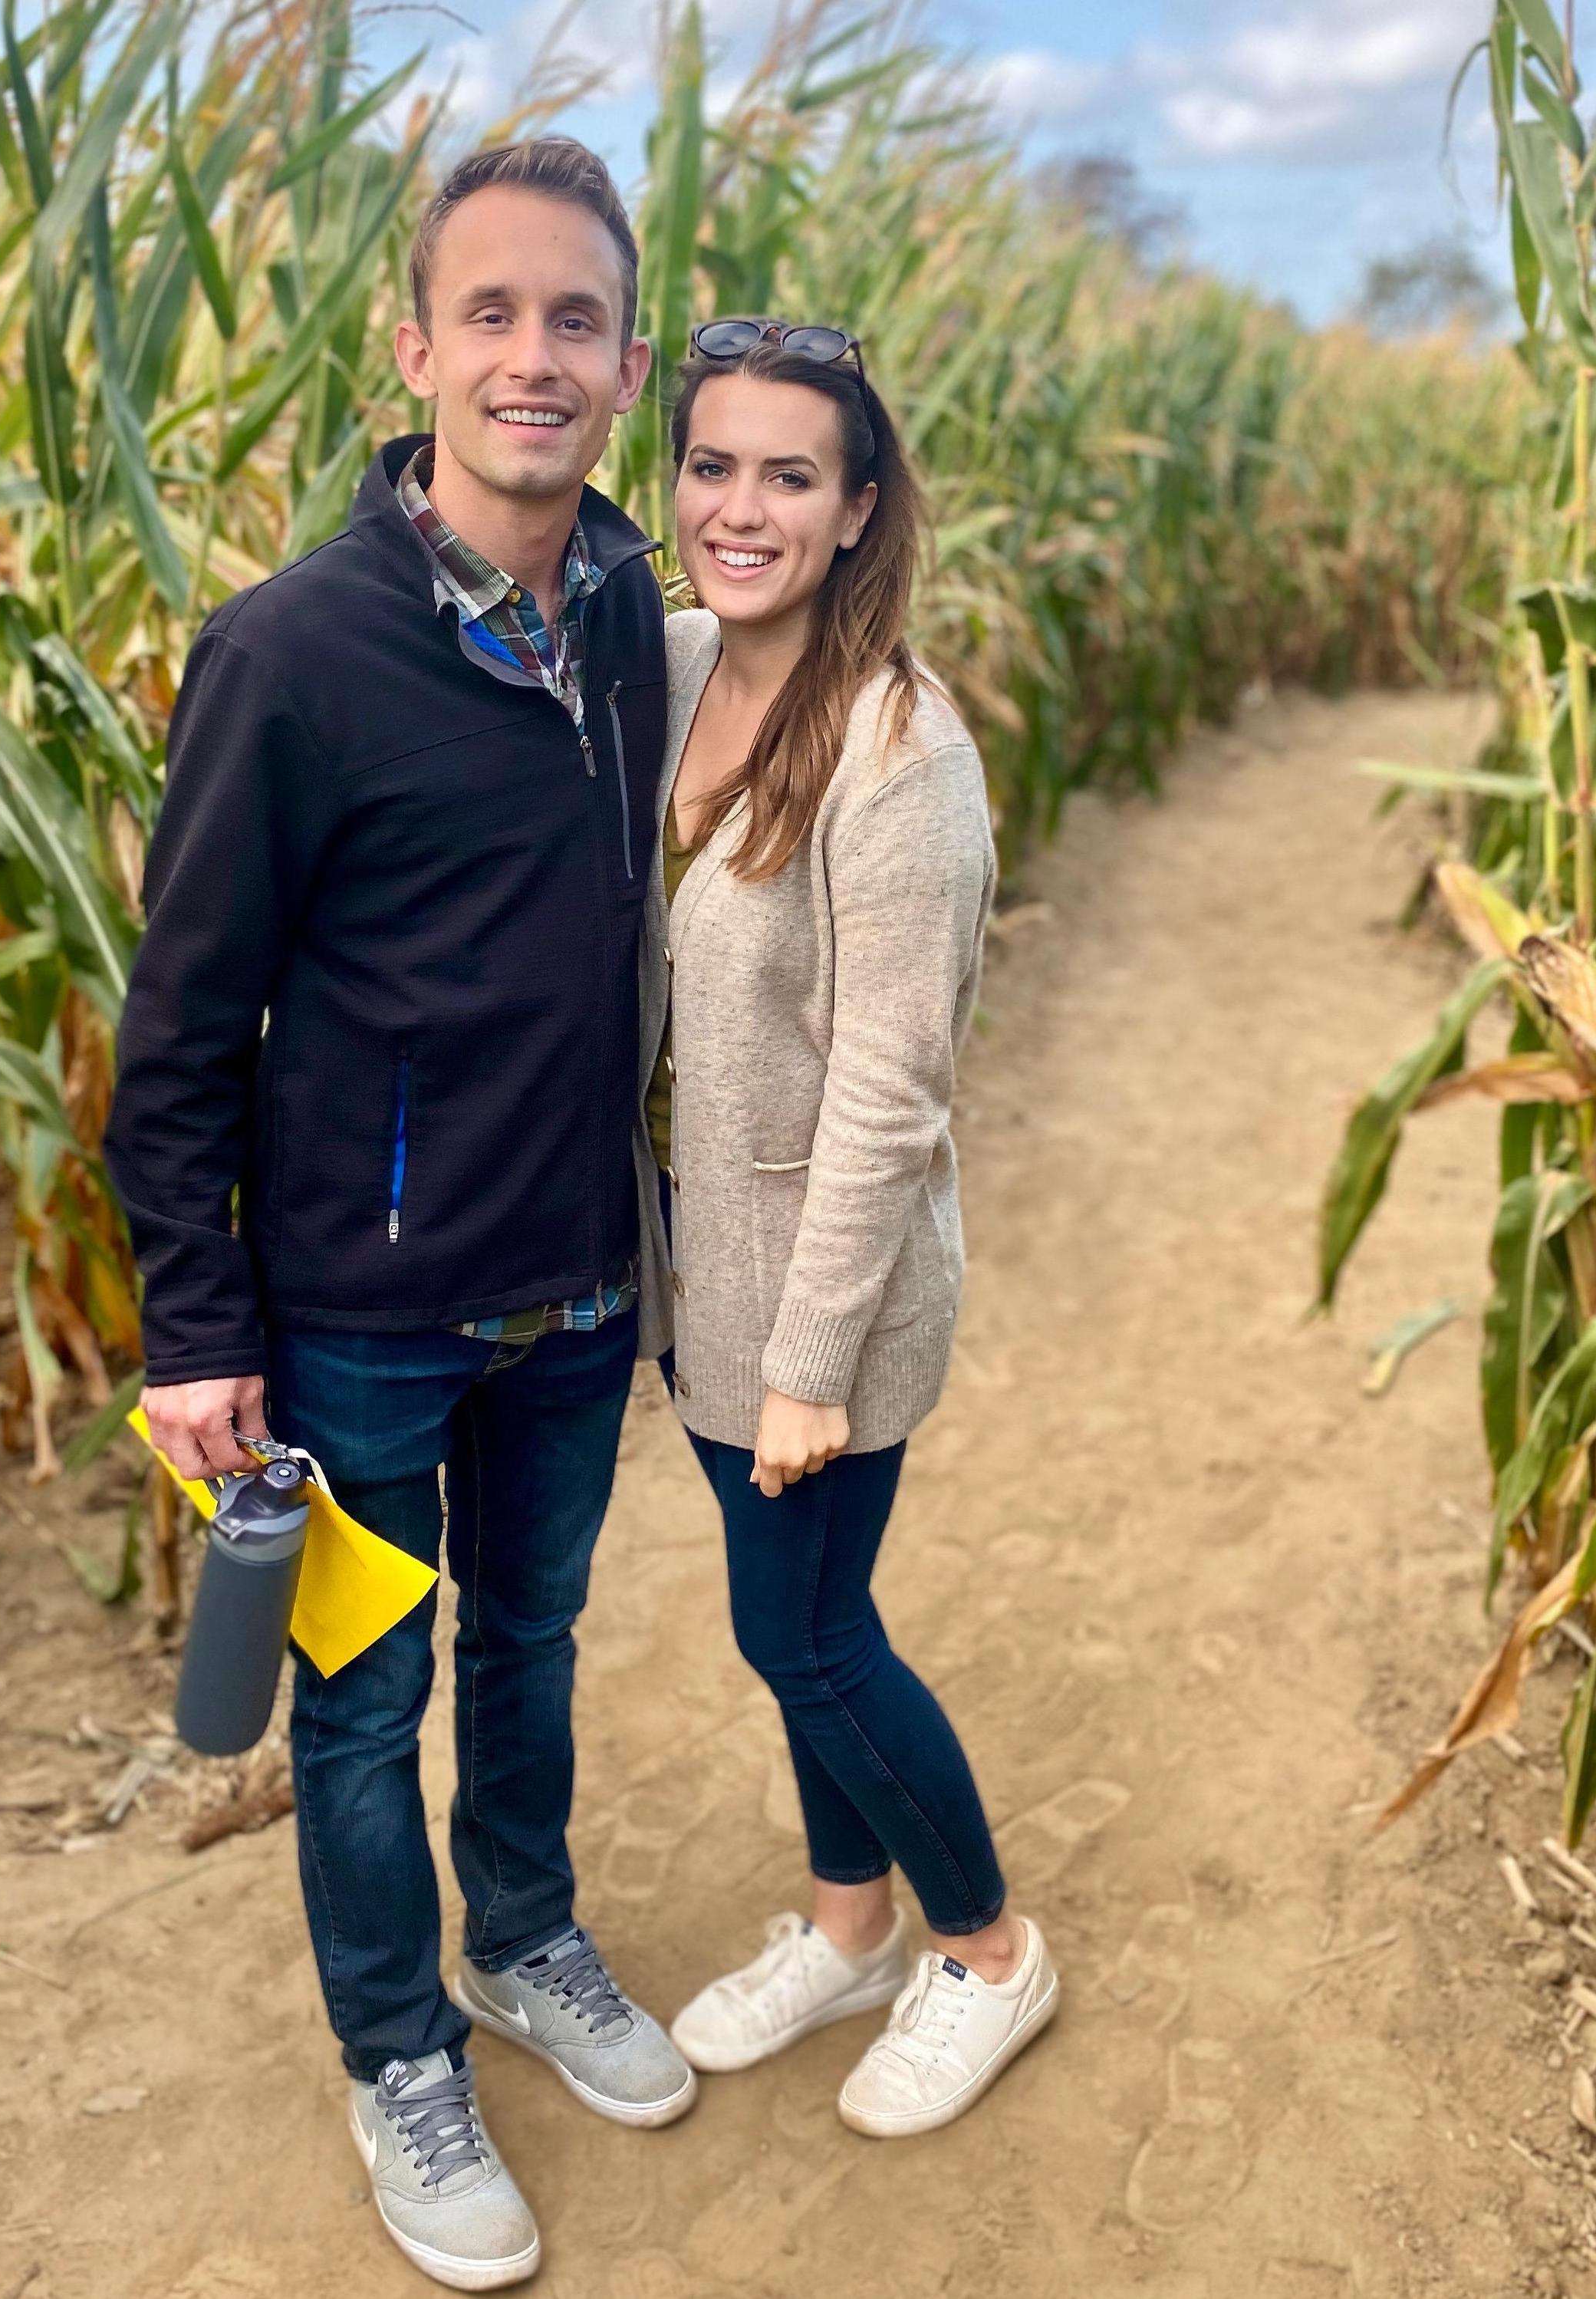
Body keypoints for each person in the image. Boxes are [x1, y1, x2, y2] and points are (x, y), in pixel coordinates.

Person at [104, 138, 695, 2294]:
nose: (530, 358)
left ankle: (526, 1933)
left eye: (573, 321)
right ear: (413, 346)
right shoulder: (289, 650)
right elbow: (180, 1021)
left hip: (570, 1287)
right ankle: (394, 2047)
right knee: (359, 1704)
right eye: (492, 314)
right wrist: (194, 1324)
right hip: (355, 1315)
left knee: (528, 1645)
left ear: (624, 361)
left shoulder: (636, 615)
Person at [633, 319, 1059, 2138]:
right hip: (688, 1265)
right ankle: (846, 1924)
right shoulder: (660, 668)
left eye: (788, 474)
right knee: (800, 1613)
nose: (741, 506)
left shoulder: (899, 752)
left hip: (820, 1298)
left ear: (856, 504)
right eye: (711, 464)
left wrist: (805, 1365)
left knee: (805, 1636)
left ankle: (983, 1945)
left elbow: (892, 1092)